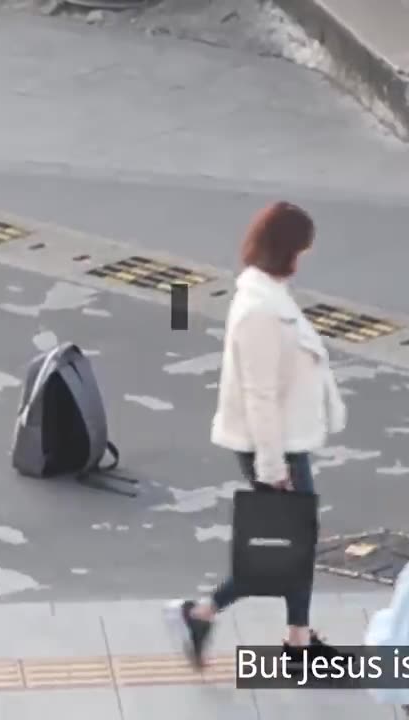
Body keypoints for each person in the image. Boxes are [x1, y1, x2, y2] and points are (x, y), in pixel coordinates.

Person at [166, 201, 347, 668]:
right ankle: (204, 612)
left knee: (295, 542)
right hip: (274, 446)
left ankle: (298, 640)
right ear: (288, 250)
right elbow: (260, 394)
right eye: (303, 249)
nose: (306, 258)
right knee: (286, 544)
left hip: (286, 441)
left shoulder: (268, 295)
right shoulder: (260, 311)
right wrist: (273, 468)